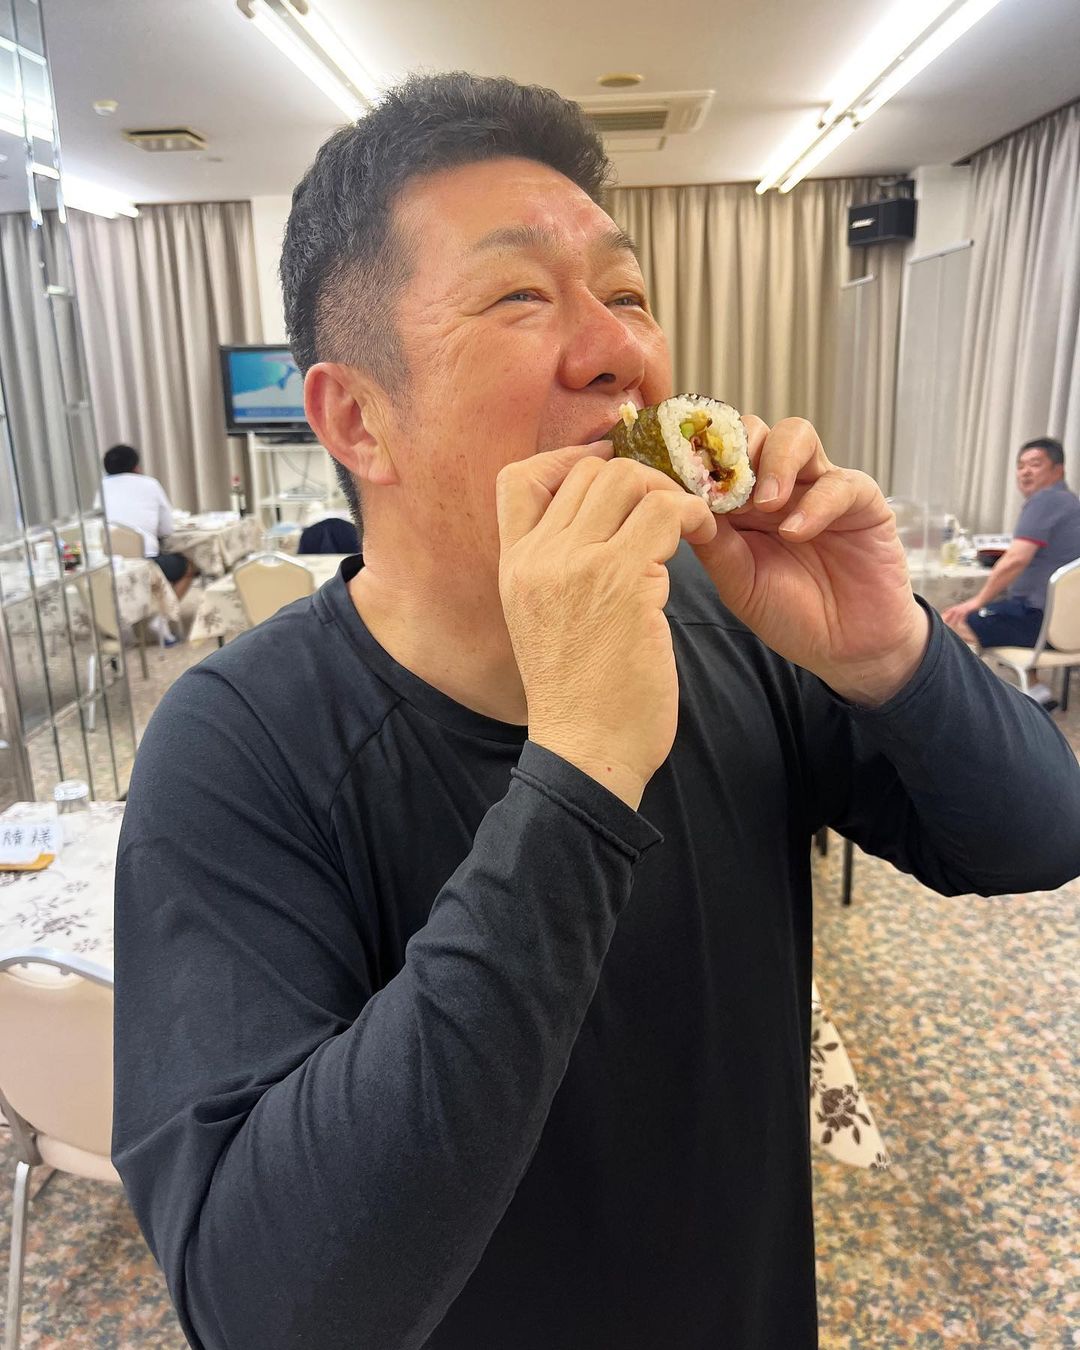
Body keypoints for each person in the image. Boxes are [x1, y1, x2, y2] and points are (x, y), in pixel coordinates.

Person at [112, 75, 1080, 1350]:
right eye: (519, 296)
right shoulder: (236, 744)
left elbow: (1036, 837)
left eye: (626, 294)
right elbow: (266, 1306)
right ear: (357, 418)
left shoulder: (726, 617)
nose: (619, 350)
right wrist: (578, 763)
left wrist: (888, 646)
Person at [942, 437, 1080, 647]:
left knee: (946, 622)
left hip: (1038, 620)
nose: (1025, 472)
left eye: (1035, 465)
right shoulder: (1069, 502)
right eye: (1020, 466)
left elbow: (1015, 560)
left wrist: (976, 601)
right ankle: (1027, 678)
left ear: (1058, 471)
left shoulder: (1046, 500)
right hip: (1066, 624)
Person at [100, 444, 197, 641]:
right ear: (136, 467)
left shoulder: (101, 488)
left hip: (112, 565)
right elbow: (167, 529)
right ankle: (161, 618)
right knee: (188, 567)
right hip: (147, 562)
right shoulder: (150, 484)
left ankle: (121, 624)